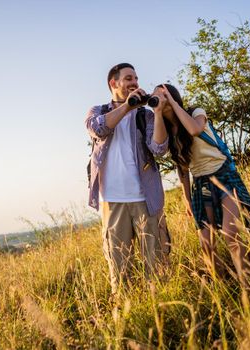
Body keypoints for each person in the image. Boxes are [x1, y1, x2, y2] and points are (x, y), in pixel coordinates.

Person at [151, 83, 250, 283]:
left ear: (171, 96)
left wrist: (171, 102)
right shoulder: (168, 132)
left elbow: (195, 130)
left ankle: (248, 283)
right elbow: (182, 168)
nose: (158, 98)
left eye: (161, 94)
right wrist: (187, 199)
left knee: (231, 233)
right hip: (201, 183)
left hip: (223, 174)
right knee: (207, 243)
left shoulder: (195, 112)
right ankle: (221, 286)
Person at [85, 63, 171, 293]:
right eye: (128, 78)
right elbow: (97, 129)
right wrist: (127, 106)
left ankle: (160, 314)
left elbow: (159, 148)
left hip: (145, 199)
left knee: (157, 267)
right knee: (119, 271)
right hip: (112, 201)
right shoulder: (98, 112)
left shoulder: (144, 116)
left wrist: (158, 112)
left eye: (136, 78)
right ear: (114, 83)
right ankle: (125, 318)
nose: (135, 82)